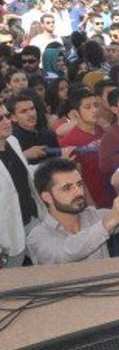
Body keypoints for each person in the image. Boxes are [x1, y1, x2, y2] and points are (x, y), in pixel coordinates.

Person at [27, 157, 119, 265]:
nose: (78, 192)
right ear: (47, 197)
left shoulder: (93, 215)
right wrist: (108, 223)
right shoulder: (38, 236)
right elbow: (66, 253)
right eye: (67, 188)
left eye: (79, 184)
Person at [0, 103, 47, 268]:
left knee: (49, 270)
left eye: (6, 116)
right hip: (7, 235)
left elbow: (22, 174)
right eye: (0, 118)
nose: (6, 121)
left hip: (32, 220)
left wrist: (49, 167)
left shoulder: (13, 141)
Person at [59, 87, 109, 207]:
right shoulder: (70, 141)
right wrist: (92, 207)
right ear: (76, 113)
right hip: (95, 201)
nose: (94, 110)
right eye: (87, 107)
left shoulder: (102, 129)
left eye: (96, 105)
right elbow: (78, 180)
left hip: (113, 194)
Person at [7, 92, 57, 165]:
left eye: (32, 109)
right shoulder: (11, 140)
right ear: (13, 117)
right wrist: (25, 155)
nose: (31, 114)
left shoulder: (49, 134)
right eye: (23, 111)